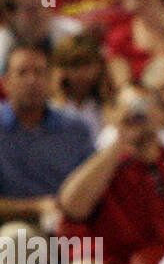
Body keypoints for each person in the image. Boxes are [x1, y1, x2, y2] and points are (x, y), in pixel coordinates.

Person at [57, 83, 164, 264]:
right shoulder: (103, 169)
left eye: (145, 105)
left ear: (160, 114)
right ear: (113, 116)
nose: (137, 114)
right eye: (129, 108)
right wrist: (121, 140)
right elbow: (71, 207)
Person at [0, 40, 95, 226]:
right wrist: (37, 208)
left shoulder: (75, 128)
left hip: (72, 226)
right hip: (12, 229)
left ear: (51, 80)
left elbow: (93, 188)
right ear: (6, 83)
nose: (31, 80)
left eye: (39, 72)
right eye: (22, 73)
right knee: (17, 238)